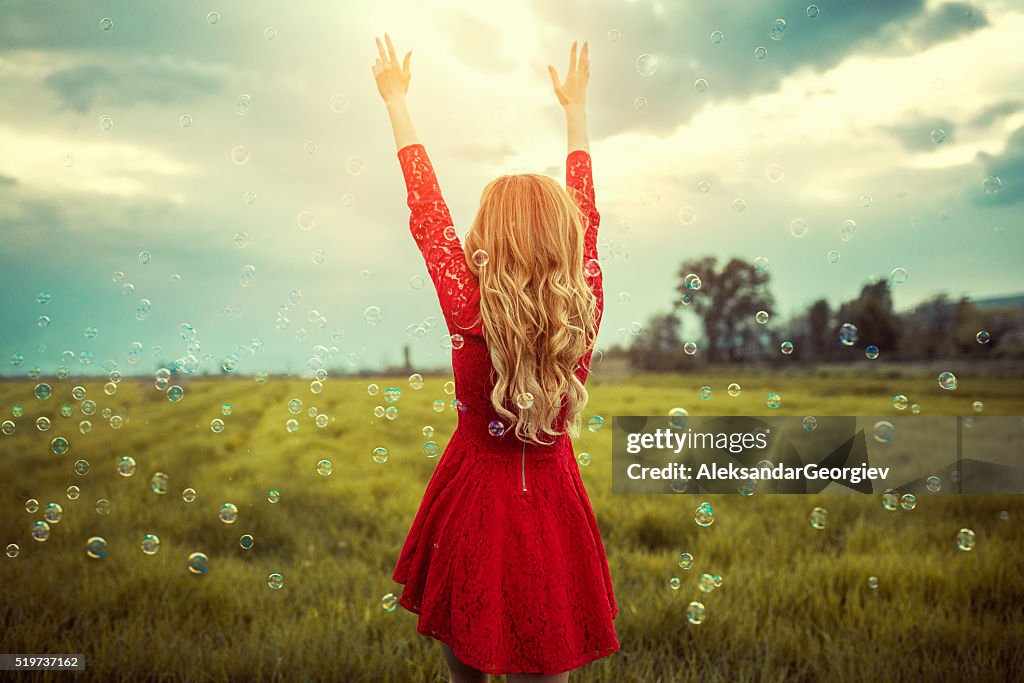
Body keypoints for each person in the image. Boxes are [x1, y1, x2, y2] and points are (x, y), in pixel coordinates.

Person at [372, 34, 618, 682]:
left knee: (467, 672)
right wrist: (576, 110)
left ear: (490, 232)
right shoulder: (581, 305)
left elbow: (428, 213)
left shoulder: (469, 307)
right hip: (551, 503)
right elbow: (587, 212)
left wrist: (396, 100)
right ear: (563, 236)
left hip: (472, 500)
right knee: (547, 663)